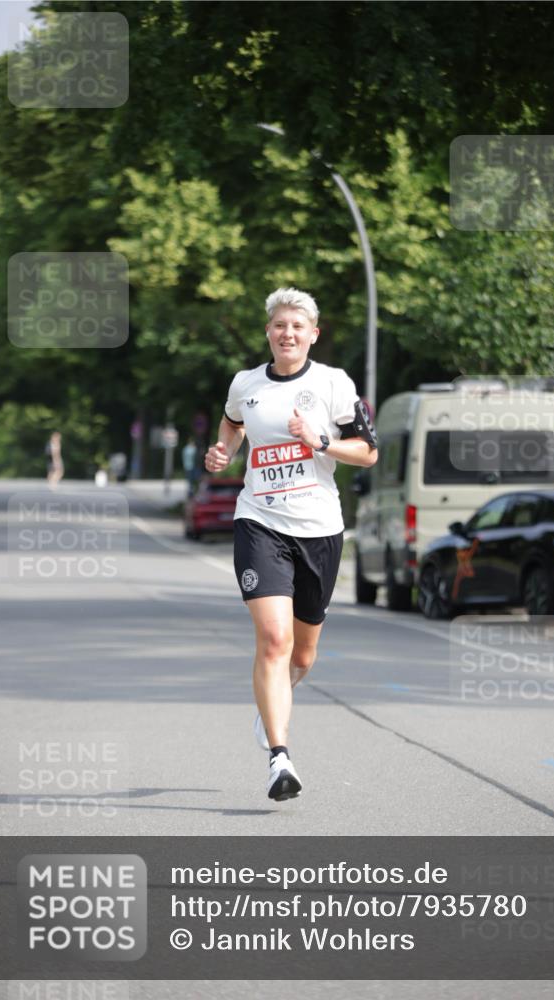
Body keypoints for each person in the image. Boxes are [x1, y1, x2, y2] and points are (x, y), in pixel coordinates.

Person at [205, 287, 378, 801]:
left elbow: (367, 453)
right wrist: (224, 452)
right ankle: (280, 758)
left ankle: (270, 706)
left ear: (313, 334)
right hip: (259, 522)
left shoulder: (333, 384)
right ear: (269, 332)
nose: (288, 334)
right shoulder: (246, 384)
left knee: (302, 655)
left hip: (320, 528)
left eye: (298, 327)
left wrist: (319, 441)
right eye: (280, 325)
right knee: (274, 641)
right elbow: (233, 424)